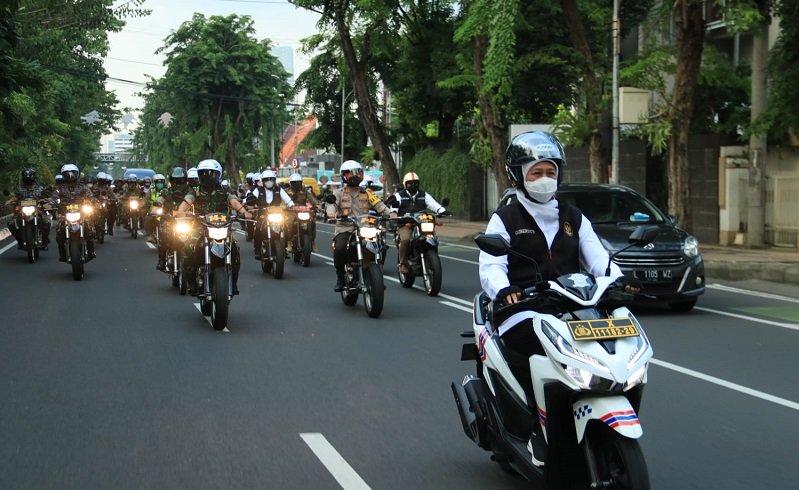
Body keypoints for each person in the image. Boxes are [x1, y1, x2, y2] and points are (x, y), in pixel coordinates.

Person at [176, 159, 252, 295]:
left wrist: (244, 212)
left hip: (222, 227)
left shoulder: (224, 190)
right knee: (188, 246)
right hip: (200, 228)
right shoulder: (195, 191)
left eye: (210, 174)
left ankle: (233, 283)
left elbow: (234, 202)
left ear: (218, 175)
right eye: (204, 174)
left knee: (235, 249)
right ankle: (192, 281)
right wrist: (180, 212)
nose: (207, 177)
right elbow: (186, 202)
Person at [325, 160, 395, 292]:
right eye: (350, 173)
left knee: (380, 246)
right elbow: (332, 205)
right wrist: (331, 213)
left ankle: (376, 276)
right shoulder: (339, 193)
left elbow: (379, 205)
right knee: (339, 248)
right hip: (345, 228)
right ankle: (340, 277)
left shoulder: (367, 192)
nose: (354, 176)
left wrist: (390, 213)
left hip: (364, 228)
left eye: (357, 172)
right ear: (344, 176)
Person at [385, 171, 449, 274]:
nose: (413, 185)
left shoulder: (423, 194)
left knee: (432, 236)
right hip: (405, 224)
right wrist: (394, 214)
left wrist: (442, 210)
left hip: (421, 223)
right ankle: (403, 264)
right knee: (405, 239)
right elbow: (394, 208)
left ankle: (432, 258)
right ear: (405, 184)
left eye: (415, 183)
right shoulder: (399, 195)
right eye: (410, 183)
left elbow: (433, 204)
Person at [53, 163, 95, 262]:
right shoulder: (60, 188)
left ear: (77, 174)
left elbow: (90, 196)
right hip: (65, 213)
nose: (70, 176)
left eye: (72, 173)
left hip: (81, 213)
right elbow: (54, 197)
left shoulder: (83, 187)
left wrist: (91, 201)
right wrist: (53, 203)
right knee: (59, 232)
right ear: (64, 175)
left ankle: (91, 252)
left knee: (89, 230)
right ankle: (62, 254)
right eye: (67, 174)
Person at [250, 169, 295, 259]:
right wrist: (249, 203)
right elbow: (250, 198)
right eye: (267, 179)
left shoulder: (279, 189)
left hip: (277, 214)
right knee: (258, 228)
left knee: (286, 229)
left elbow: (287, 199)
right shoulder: (258, 190)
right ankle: (258, 249)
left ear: (274, 180)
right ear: (262, 181)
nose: (269, 181)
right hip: (263, 215)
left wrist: (291, 205)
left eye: (271, 179)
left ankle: (284, 249)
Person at [5, 167, 52, 250]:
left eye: (30, 175)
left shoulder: (40, 188)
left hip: (37, 210)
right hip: (22, 211)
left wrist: (47, 200)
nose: (28, 177)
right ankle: (19, 240)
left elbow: (46, 196)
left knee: (46, 221)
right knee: (11, 223)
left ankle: (44, 241)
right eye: (26, 176)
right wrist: (9, 201)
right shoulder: (19, 189)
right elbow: (15, 197)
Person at [154, 168, 190, 271]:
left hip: (187, 221)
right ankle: (162, 260)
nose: (178, 183)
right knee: (163, 236)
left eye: (181, 181)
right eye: (175, 181)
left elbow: (196, 200)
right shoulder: (166, 191)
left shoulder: (190, 191)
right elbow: (160, 199)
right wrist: (158, 204)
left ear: (185, 180)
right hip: (169, 220)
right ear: (171, 181)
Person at [285, 172, 320, 252]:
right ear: (291, 183)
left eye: (299, 182)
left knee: (312, 222)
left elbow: (312, 199)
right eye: (295, 182)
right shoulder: (286, 191)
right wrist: (283, 207)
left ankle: (313, 242)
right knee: (288, 223)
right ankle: (289, 242)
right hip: (291, 211)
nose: (297, 184)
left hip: (303, 211)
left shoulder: (305, 190)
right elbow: (282, 201)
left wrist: (317, 205)